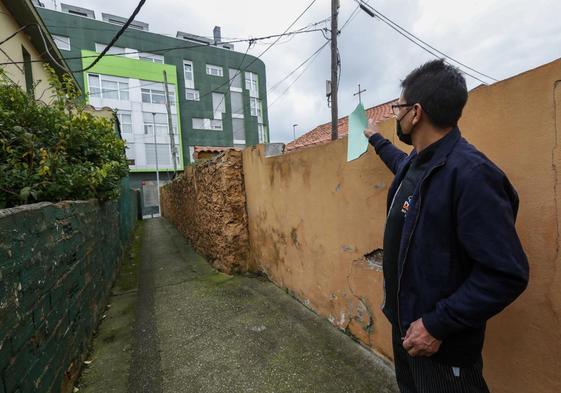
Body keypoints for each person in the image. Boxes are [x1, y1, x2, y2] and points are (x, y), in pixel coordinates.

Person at [363, 59, 529, 393]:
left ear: (416, 112)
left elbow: (505, 273)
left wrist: (436, 325)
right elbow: (402, 166)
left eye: (399, 107)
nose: (396, 114)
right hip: (408, 333)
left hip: (441, 347)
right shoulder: (418, 162)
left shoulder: (472, 175)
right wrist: (376, 139)